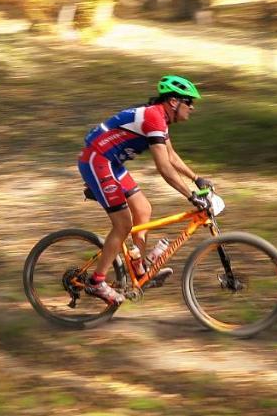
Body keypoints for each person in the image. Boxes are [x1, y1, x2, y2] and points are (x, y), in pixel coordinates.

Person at [77, 75, 214, 305]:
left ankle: (139, 270)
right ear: (173, 101)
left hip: (111, 163)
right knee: (123, 224)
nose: (192, 107)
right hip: (97, 160)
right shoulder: (153, 117)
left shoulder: (160, 118)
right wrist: (190, 195)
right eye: (189, 102)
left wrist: (197, 178)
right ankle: (96, 282)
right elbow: (164, 168)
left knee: (143, 209)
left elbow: (171, 156)